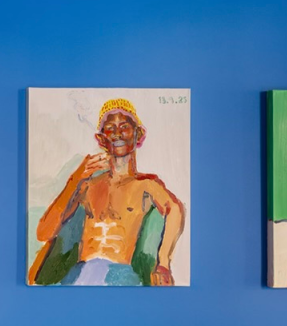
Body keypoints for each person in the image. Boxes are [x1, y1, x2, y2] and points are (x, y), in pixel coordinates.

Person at [30, 97, 185, 286]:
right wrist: (74, 181)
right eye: (110, 128)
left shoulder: (146, 185)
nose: (117, 134)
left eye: (124, 127)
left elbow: (175, 209)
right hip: (81, 275)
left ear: (138, 135)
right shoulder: (87, 185)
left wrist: (163, 263)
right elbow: (43, 232)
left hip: (119, 275)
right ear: (102, 139)